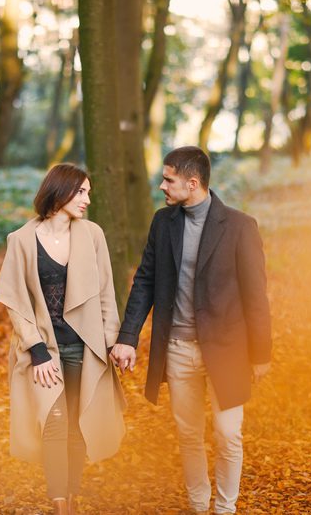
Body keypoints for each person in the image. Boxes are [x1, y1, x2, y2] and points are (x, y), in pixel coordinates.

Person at [110, 146, 271, 514]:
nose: (162, 186)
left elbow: (256, 295)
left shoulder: (240, 226)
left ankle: (225, 509)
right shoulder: (162, 223)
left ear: (192, 182)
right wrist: (128, 337)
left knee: (229, 435)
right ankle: (200, 507)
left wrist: (261, 353)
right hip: (179, 349)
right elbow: (146, 281)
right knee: (189, 435)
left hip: (228, 349)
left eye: (169, 179)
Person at [0, 164, 126, 515]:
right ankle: (59, 505)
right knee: (54, 422)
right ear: (60, 191)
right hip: (44, 352)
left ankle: (71, 496)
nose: (87, 200)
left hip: (86, 349)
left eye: (88, 193)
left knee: (78, 426)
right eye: (81, 192)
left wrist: (113, 344)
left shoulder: (93, 235)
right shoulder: (20, 240)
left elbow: (105, 294)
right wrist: (37, 352)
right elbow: (15, 303)